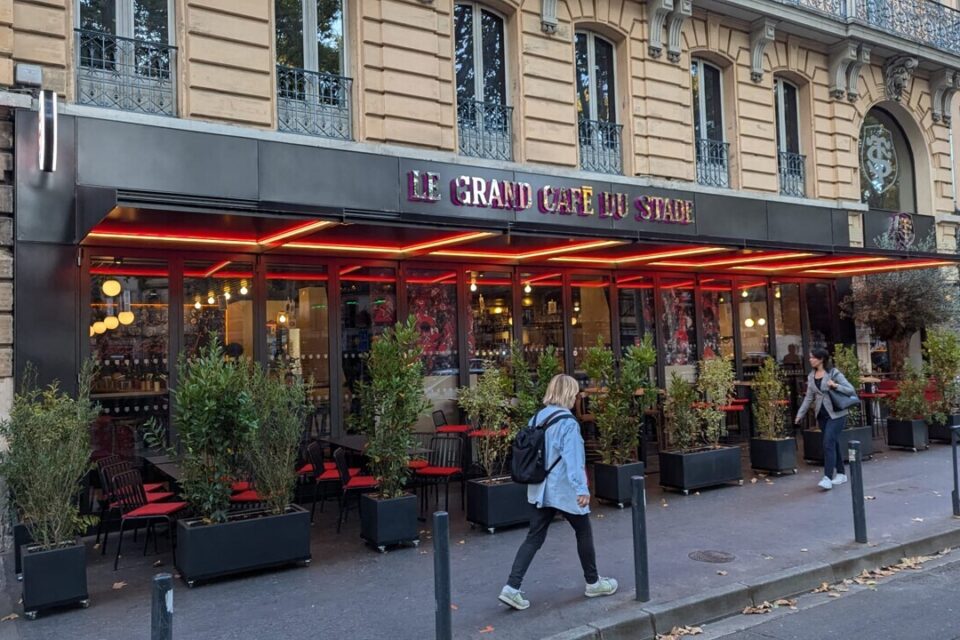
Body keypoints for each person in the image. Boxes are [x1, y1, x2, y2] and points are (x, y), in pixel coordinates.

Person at [498, 374, 618, 611]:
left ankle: (511, 587)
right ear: (568, 394)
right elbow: (574, 460)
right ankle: (593, 582)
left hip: (540, 487)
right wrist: (582, 488)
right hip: (563, 489)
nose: (576, 397)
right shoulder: (568, 423)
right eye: (574, 393)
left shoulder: (537, 418)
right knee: (583, 531)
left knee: (534, 536)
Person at [795, 348, 857, 490]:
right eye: (810, 357)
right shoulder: (811, 376)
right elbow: (809, 397)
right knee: (833, 443)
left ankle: (827, 477)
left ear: (821, 359)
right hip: (822, 415)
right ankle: (841, 474)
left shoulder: (834, 373)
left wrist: (835, 386)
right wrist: (800, 414)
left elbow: (851, 389)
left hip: (837, 414)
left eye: (812, 357)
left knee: (828, 442)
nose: (810, 359)